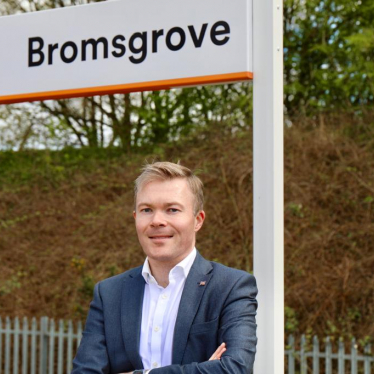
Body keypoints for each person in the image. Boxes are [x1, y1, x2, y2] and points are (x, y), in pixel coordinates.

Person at [72, 161, 258, 374]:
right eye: (146, 209)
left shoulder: (230, 287)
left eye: (172, 209)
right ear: (136, 218)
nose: (157, 220)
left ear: (198, 220)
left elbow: (234, 369)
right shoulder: (109, 294)